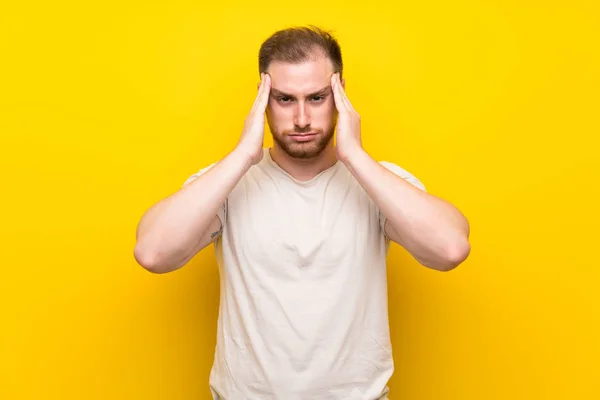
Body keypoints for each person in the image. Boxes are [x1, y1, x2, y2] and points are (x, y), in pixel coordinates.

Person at [134, 25, 471, 400]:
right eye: (283, 99)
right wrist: (244, 155)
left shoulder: (377, 182)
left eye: (316, 98)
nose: (301, 119)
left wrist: (354, 155)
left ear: (340, 94)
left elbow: (450, 249)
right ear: (262, 99)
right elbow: (153, 253)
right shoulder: (230, 185)